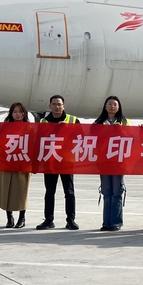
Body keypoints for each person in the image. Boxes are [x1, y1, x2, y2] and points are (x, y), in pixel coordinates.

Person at [36, 95, 80, 230]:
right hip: (50, 161)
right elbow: (37, 139)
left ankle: (71, 220)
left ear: (64, 106)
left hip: (67, 161)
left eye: (59, 104)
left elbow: (81, 137)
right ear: (50, 106)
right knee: (49, 192)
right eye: (54, 104)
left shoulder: (73, 120)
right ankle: (48, 220)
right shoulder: (43, 122)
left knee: (69, 192)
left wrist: (68, 129)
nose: (57, 107)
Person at [0, 103, 32, 228]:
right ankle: (9, 217)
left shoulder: (30, 128)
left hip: (22, 162)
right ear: (11, 113)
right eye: (15, 111)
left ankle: (22, 218)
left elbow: (34, 145)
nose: (18, 114)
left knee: (21, 191)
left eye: (20, 112)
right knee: (5, 191)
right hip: (7, 162)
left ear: (24, 113)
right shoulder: (5, 127)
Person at [93, 96, 128, 231]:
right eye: (109, 104)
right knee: (107, 192)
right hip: (104, 162)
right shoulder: (99, 122)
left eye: (115, 104)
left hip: (119, 162)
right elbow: (92, 138)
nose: (112, 106)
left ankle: (116, 222)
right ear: (105, 106)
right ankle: (106, 223)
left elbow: (132, 138)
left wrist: (121, 129)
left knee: (117, 192)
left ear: (118, 107)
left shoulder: (124, 122)